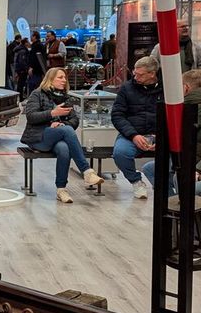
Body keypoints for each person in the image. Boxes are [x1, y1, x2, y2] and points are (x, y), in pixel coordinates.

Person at [21, 68, 103, 203]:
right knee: (67, 131)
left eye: (64, 77)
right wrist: (52, 114)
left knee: (64, 148)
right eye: (60, 77)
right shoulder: (37, 94)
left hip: (57, 136)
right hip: (37, 137)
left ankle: (61, 189)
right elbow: (30, 117)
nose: (64, 80)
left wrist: (62, 124)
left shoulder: (65, 97)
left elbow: (75, 120)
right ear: (50, 79)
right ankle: (87, 171)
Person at [142, 69, 201, 196]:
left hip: (194, 164)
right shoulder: (186, 108)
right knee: (151, 169)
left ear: (185, 88)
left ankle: (185, 210)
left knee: (179, 178)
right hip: (188, 159)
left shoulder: (189, 110)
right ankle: (175, 206)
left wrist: (197, 169)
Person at [111, 56, 163, 199]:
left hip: (161, 134)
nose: (135, 77)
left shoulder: (167, 88)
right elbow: (117, 115)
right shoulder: (126, 88)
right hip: (132, 134)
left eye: (140, 75)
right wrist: (133, 135)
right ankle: (136, 181)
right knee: (120, 153)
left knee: (178, 154)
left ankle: (167, 188)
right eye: (135, 73)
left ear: (152, 74)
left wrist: (163, 136)